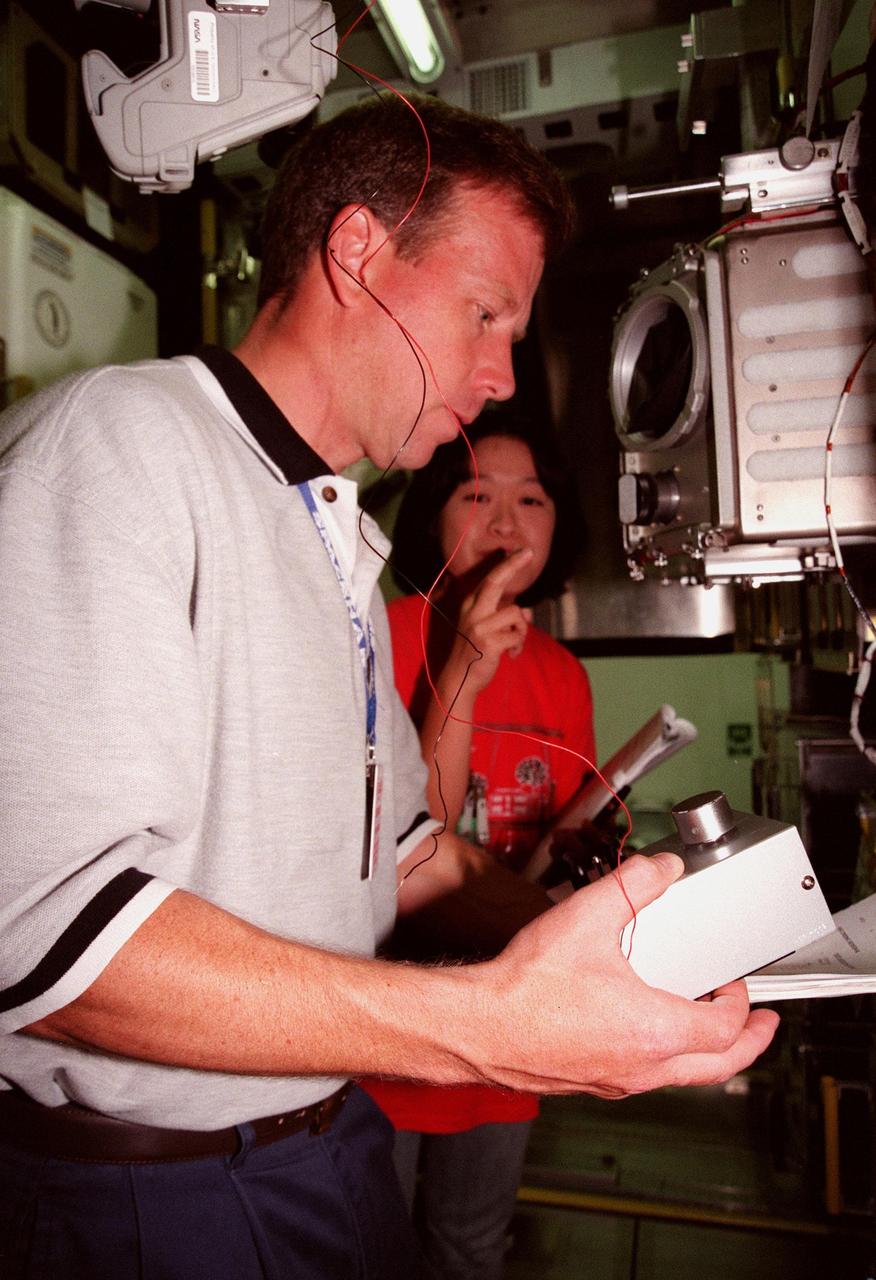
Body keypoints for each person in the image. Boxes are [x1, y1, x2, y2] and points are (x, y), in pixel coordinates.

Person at [0, 92, 778, 1278]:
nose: (501, 374)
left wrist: (621, 956)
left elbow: (409, 853)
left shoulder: (334, 540)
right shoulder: (122, 448)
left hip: (326, 1141)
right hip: (153, 1192)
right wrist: (489, 1030)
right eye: (484, 314)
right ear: (357, 252)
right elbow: (43, 932)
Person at [363, 412, 596, 1280]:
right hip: (385, 1011)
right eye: (476, 495)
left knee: (469, 1246)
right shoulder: (380, 637)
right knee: (365, 1247)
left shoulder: (563, 672)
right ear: (432, 517)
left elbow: (555, 837)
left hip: (510, 1015)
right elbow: (413, 836)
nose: (505, 520)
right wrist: (460, 666)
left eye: (530, 498)